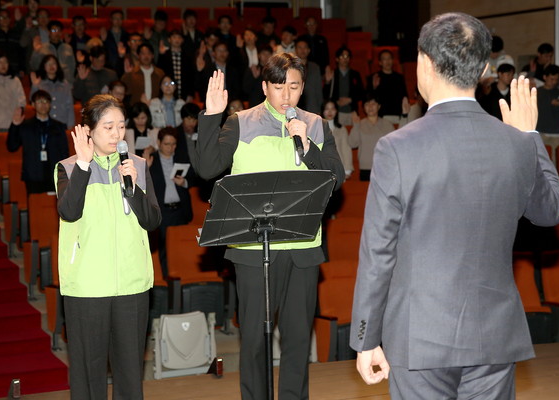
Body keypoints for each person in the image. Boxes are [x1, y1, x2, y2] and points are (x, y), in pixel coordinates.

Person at [350, 12, 559, 400]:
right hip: (494, 337)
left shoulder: (397, 147)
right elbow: (552, 211)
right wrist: (531, 136)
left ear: (425, 64)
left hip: (420, 339)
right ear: (484, 68)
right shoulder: (516, 143)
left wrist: (365, 337)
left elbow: (377, 252)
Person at [192, 53, 345, 400]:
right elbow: (205, 168)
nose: (286, 95)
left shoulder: (316, 125)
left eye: (293, 86)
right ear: (264, 87)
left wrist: (306, 145)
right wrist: (212, 116)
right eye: (279, 87)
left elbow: (337, 178)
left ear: (303, 88)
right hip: (252, 252)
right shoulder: (240, 122)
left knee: (296, 344)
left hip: (303, 248)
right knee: (255, 344)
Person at [55, 94, 161, 399]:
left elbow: (152, 220)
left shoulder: (137, 164)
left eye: (121, 126)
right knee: (90, 376)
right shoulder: (69, 168)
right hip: (87, 287)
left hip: (132, 284)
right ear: (88, 130)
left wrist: (134, 187)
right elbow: (69, 211)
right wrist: (85, 165)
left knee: (129, 374)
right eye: (108, 127)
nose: (117, 134)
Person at [143, 127, 194, 276]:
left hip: (180, 211)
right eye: (167, 144)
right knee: (164, 251)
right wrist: (146, 168)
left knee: (182, 250)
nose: (170, 148)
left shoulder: (181, 157)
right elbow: (141, 186)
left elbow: (195, 178)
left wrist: (184, 182)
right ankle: (168, 284)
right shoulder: (151, 160)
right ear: (159, 143)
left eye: (173, 144)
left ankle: (183, 281)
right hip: (162, 212)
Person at [7, 90, 68, 194]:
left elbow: (64, 153)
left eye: (46, 101)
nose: (43, 105)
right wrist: (15, 125)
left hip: (53, 174)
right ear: (33, 105)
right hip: (33, 174)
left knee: (52, 208)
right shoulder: (25, 126)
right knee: (36, 206)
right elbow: (12, 146)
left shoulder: (59, 127)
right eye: (39, 101)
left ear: (50, 105)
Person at [348, 94, 395, 181]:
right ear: (363, 108)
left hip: (384, 167)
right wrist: (356, 126)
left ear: (379, 106)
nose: (370, 107)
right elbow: (352, 143)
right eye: (367, 104)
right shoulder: (360, 124)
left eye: (373, 104)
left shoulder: (387, 125)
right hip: (365, 168)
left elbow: (394, 146)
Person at [30, 54, 74, 128]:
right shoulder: (39, 83)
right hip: (44, 122)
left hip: (62, 122)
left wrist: (70, 125)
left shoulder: (65, 84)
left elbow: (69, 106)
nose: (51, 66)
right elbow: (32, 101)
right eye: (48, 64)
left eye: (54, 63)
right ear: (44, 67)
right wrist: (34, 86)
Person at [324, 45, 365, 125]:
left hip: (352, 112)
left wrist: (350, 99)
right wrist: (327, 82)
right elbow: (326, 95)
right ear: (337, 59)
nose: (345, 58)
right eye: (342, 56)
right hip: (336, 112)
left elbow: (361, 93)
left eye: (347, 56)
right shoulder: (333, 74)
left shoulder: (355, 74)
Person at [366, 49, 409, 124]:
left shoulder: (399, 78)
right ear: (380, 62)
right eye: (384, 59)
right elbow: (368, 98)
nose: (387, 61)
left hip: (397, 115)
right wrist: (374, 87)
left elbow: (405, 96)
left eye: (389, 58)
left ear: (392, 60)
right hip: (381, 116)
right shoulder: (374, 77)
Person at [30, 20, 75, 84]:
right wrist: (36, 52)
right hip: (47, 82)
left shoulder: (68, 48)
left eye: (59, 31)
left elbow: (72, 67)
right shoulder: (42, 48)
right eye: (54, 30)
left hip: (65, 83)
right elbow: (34, 66)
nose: (57, 33)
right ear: (49, 32)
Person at [157, 30, 194, 102]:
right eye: (174, 37)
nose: (177, 40)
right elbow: (160, 73)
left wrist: (190, 94)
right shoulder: (164, 55)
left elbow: (191, 76)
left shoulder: (187, 56)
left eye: (179, 37)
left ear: (182, 40)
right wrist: (160, 55)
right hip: (167, 92)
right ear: (169, 39)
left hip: (184, 93)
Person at [322, 99, 353, 178]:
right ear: (322, 111)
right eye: (327, 109)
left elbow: (346, 149)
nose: (330, 112)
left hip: (338, 168)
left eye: (332, 109)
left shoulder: (341, 129)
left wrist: (347, 169)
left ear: (336, 111)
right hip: (322, 168)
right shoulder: (317, 128)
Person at [294, 37, 322, 114]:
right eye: (300, 47)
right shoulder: (291, 67)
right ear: (295, 50)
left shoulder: (315, 67)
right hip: (296, 106)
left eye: (305, 47)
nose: (302, 50)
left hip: (312, 106)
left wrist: (320, 107)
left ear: (309, 50)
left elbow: (318, 88)